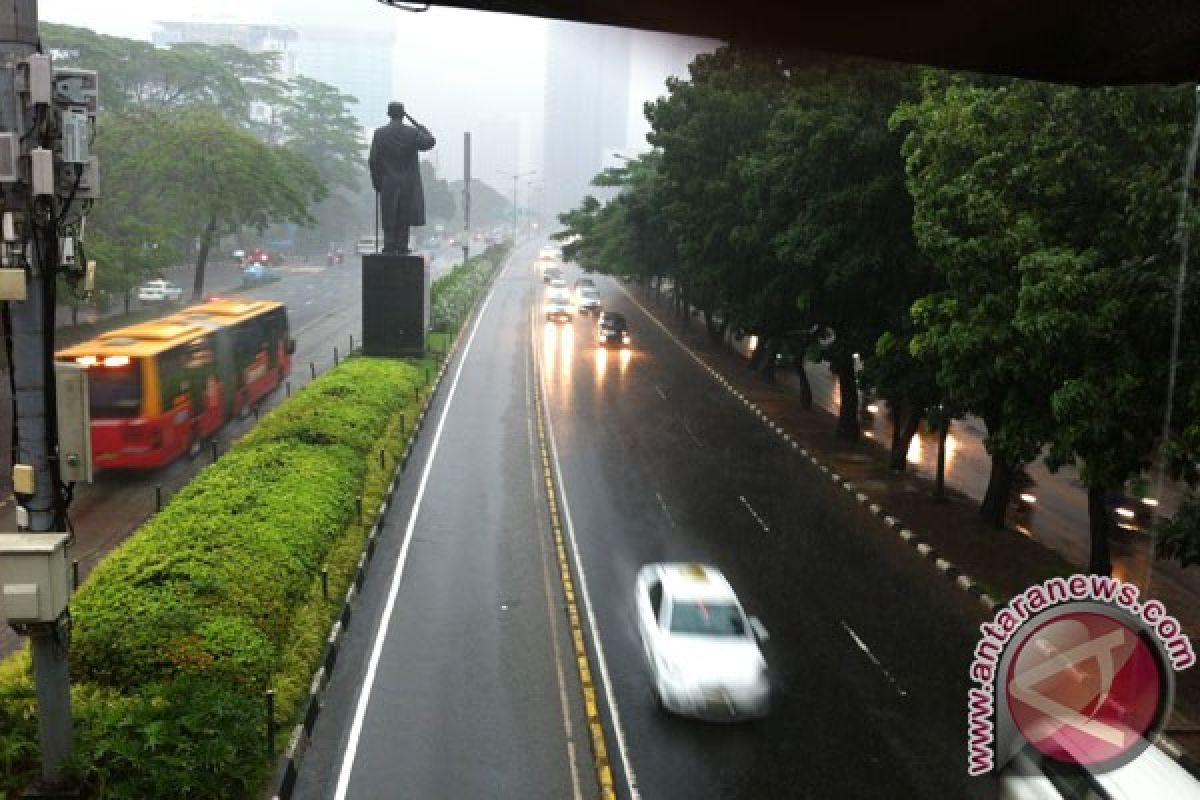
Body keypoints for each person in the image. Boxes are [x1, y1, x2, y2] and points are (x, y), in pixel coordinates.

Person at [368, 102, 436, 255]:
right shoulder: (412, 133)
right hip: (407, 183)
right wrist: (422, 128)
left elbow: (373, 160)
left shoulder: (380, 133)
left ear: (389, 114)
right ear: (403, 114)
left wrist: (376, 181)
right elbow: (430, 142)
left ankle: (389, 245)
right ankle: (402, 246)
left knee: (389, 214)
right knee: (403, 215)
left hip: (387, 182)